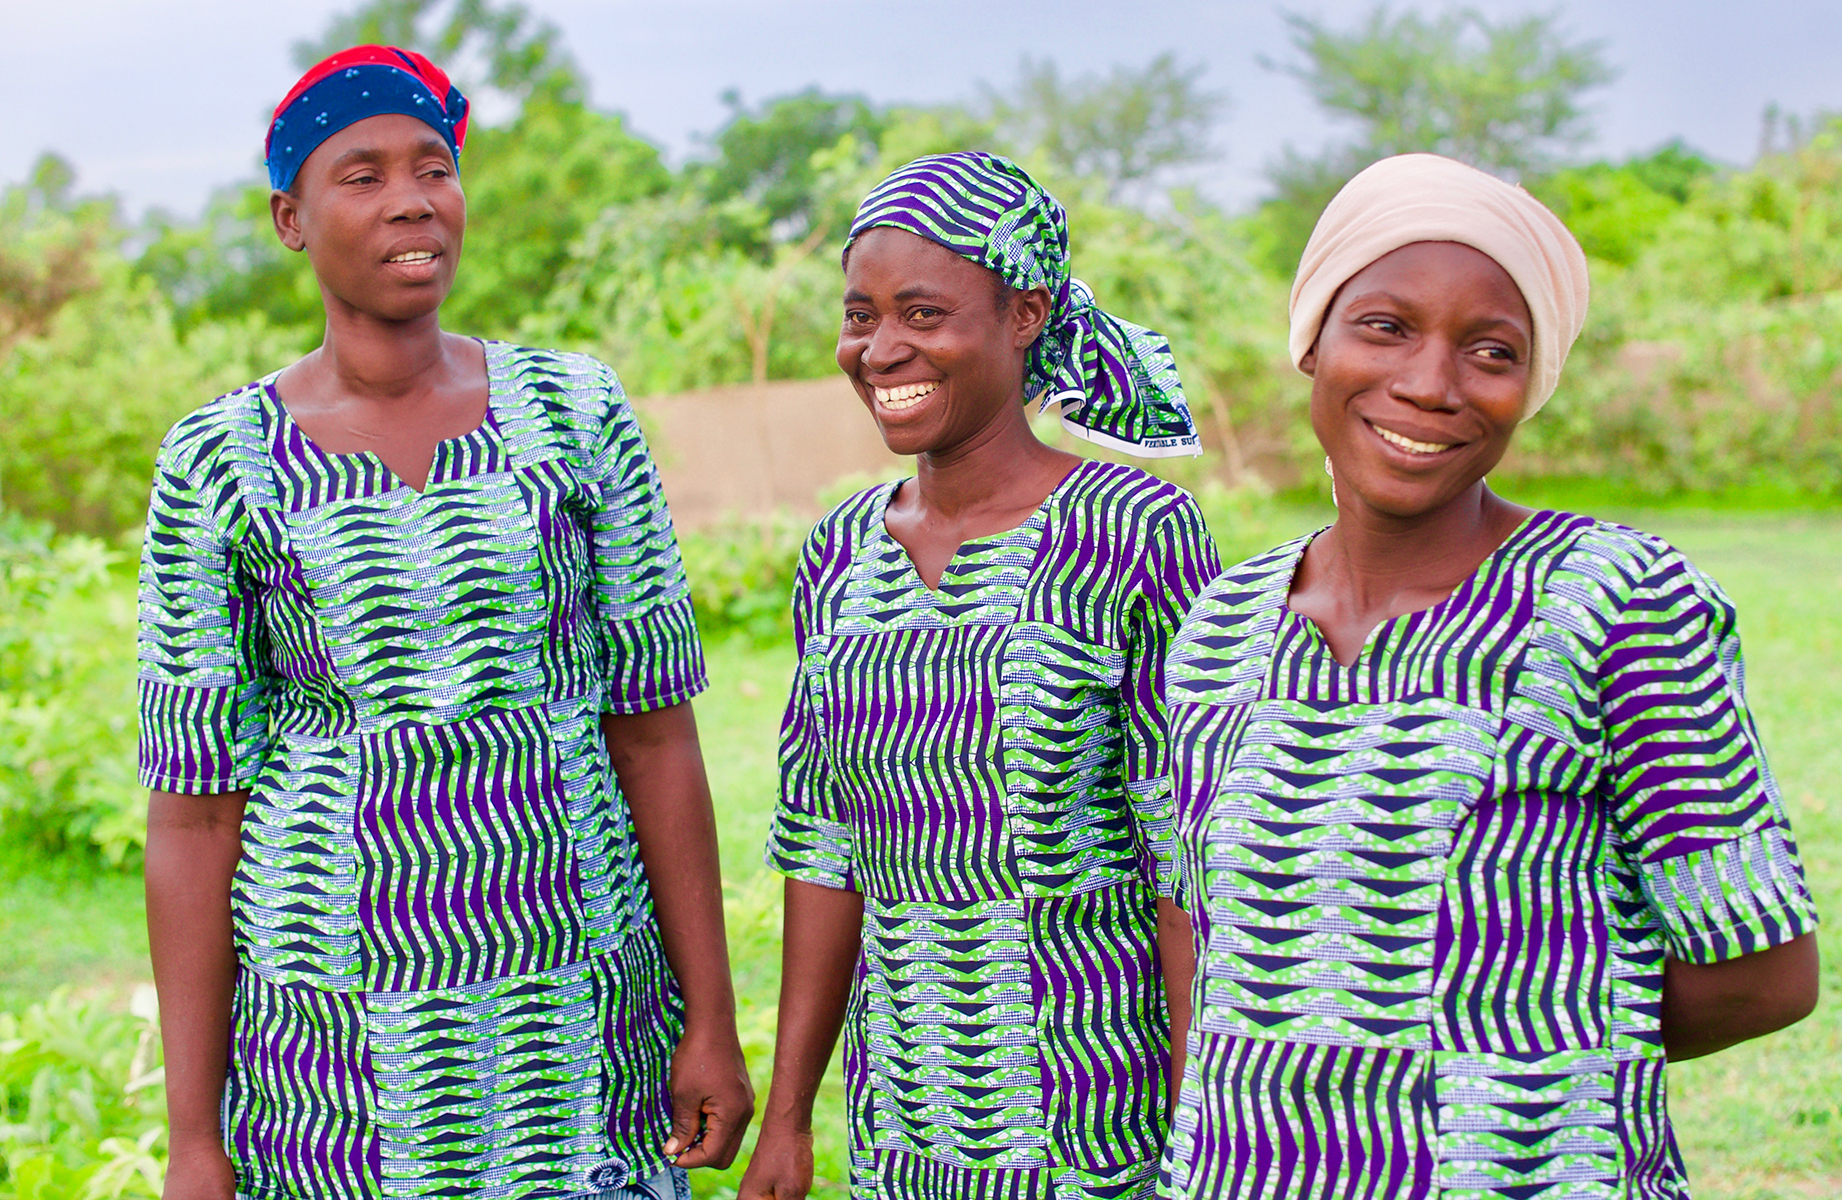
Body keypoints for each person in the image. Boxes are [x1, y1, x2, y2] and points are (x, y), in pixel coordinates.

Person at [138, 46, 752, 1200]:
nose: (413, 199)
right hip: (334, 1040)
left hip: (579, 1002)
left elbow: (656, 736)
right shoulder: (219, 461)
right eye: (361, 175)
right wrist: (191, 1136)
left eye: (434, 167)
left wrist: (707, 1018)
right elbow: (194, 813)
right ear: (290, 219)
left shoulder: (575, 412)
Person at [1159, 153, 1820, 1199]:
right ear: (1311, 342)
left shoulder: (1616, 602)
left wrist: (1519, 1065)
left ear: (1532, 383)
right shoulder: (1219, 627)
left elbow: (1763, 974)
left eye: (1491, 349)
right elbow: (1197, 927)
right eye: (1384, 326)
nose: (1429, 383)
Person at [736, 152, 1222, 1200]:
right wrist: (788, 1118)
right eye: (861, 314)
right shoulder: (840, 553)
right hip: (901, 1132)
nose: (881, 349)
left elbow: (1190, 859)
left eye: (923, 311)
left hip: (1098, 1131)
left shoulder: (1133, 533)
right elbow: (824, 848)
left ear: (1024, 314)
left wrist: (1202, 1137)